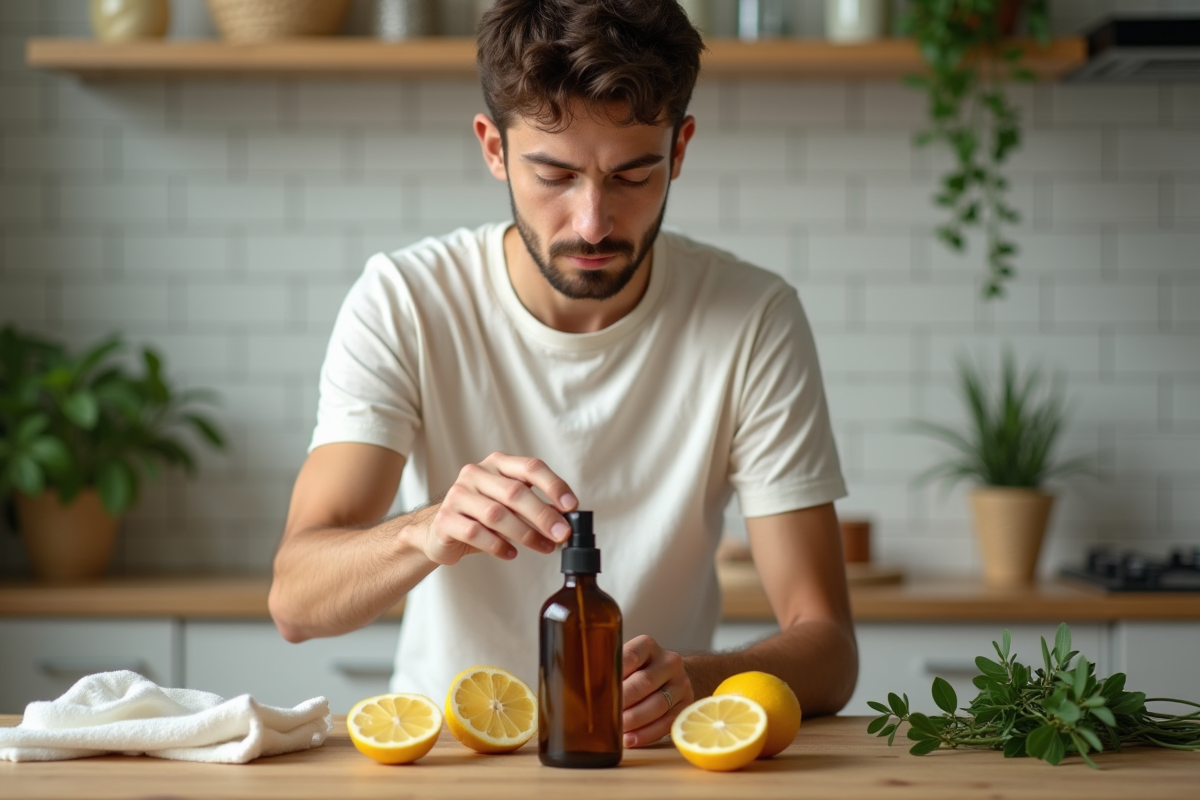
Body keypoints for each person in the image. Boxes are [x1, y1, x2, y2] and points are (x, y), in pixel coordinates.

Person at [269, 0, 858, 748]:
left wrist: (694, 681)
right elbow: (295, 602)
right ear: (494, 148)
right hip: (450, 760)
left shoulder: (753, 318)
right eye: (555, 174)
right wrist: (426, 530)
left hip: (648, 766)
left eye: (632, 175)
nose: (592, 222)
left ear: (679, 150)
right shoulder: (406, 301)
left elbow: (829, 646)